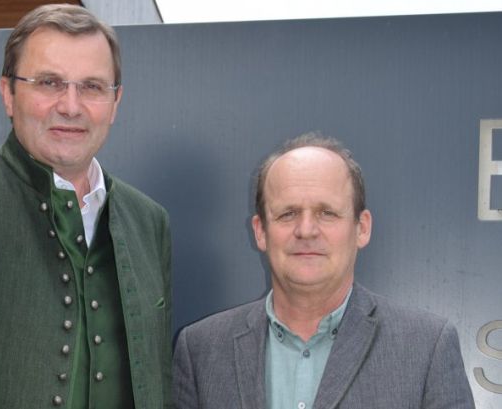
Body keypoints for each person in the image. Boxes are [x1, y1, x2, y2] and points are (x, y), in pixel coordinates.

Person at [0, 3, 172, 409]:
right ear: (8, 93)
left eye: (92, 87)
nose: (70, 106)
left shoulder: (149, 221)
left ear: (116, 102)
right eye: (49, 83)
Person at [173, 133, 474, 409]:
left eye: (327, 213)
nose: (306, 230)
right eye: (288, 213)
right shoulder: (201, 350)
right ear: (260, 231)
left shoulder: (426, 349)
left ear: (362, 228)